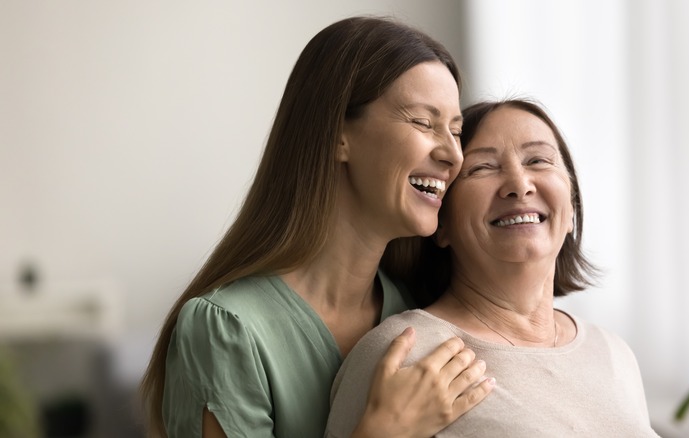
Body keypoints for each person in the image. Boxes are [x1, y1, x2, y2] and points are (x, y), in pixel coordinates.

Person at [139, 16, 496, 438]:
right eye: (423, 122)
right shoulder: (226, 330)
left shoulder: (419, 312)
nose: (452, 155)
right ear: (338, 136)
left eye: (456, 131)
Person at [326, 98, 661, 437]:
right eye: (483, 167)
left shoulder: (614, 353)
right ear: (441, 223)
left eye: (539, 160)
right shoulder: (405, 352)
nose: (519, 184)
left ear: (572, 208)